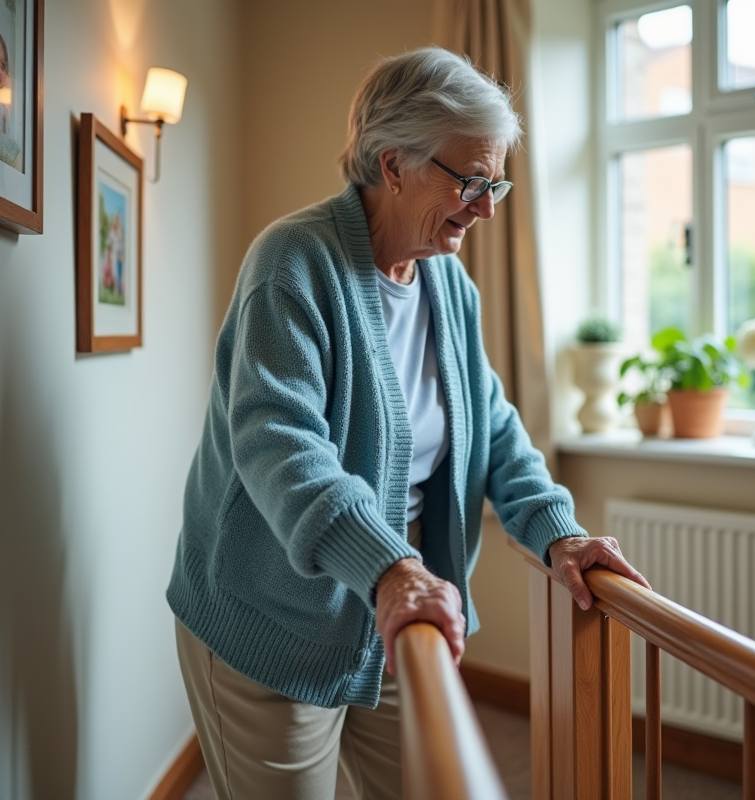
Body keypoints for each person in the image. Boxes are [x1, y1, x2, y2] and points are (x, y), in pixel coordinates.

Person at [166, 47, 650, 800]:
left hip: (389, 610)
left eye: (497, 183)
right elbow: (280, 445)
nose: (488, 207)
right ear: (393, 164)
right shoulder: (292, 263)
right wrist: (390, 569)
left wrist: (559, 531)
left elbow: (491, 427)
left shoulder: (448, 285)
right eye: (471, 181)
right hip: (272, 620)